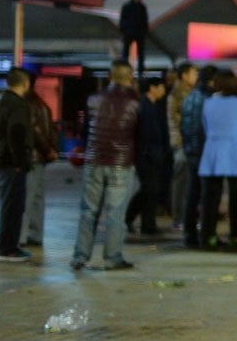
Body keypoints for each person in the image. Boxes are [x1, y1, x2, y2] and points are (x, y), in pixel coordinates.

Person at [72, 60, 141, 270]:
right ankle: (112, 257)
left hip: (94, 160)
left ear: (110, 77)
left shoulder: (93, 99)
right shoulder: (137, 102)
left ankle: (80, 256)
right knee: (115, 213)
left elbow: (84, 131)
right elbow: (140, 133)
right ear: (130, 77)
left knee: (88, 211)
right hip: (121, 162)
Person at [198, 71, 237, 250]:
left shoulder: (208, 103)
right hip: (235, 151)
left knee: (210, 198)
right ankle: (233, 236)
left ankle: (209, 236)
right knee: (236, 197)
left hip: (212, 151)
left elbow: (205, 127)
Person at [0, 67, 34, 262]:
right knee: (14, 207)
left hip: (0, 160)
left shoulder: (1, 103)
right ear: (26, 83)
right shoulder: (19, 105)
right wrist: (20, 162)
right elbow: (16, 133)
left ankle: (3, 244)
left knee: (8, 205)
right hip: (12, 164)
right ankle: (7, 248)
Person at [179, 64, 216, 248]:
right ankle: (206, 235)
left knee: (192, 194)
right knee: (207, 195)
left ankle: (189, 234)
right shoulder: (208, 99)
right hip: (204, 152)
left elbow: (184, 127)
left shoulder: (189, 97)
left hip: (191, 150)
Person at [126, 76, 169, 236]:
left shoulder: (152, 105)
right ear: (152, 88)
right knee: (150, 189)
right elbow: (146, 134)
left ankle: (144, 222)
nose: (164, 90)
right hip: (147, 155)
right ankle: (143, 223)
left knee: (149, 189)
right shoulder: (145, 106)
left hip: (151, 154)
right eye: (161, 87)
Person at [20, 73, 59, 248]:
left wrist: (47, 149)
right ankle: (35, 234)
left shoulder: (27, 104)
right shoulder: (41, 103)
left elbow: (36, 131)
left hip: (33, 156)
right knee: (36, 197)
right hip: (40, 158)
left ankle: (20, 237)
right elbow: (50, 131)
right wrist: (50, 150)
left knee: (26, 198)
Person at [167, 62, 198, 231]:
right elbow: (173, 118)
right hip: (181, 142)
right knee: (181, 182)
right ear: (184, 75)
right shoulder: (177, 93)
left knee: (187, 182)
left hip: (187, 141)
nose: (196, 77)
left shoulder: (188, 92)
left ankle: (184, 217)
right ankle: (179, 218)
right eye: (193, 74)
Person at [119, 0, 149, 75]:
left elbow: (144, 20)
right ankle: (126, 68)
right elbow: (123, 19)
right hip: (130, 32)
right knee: (126, 52)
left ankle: (139, 69)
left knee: (139, 53)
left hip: (136, 32)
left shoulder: (141, 7)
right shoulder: (130, 7)